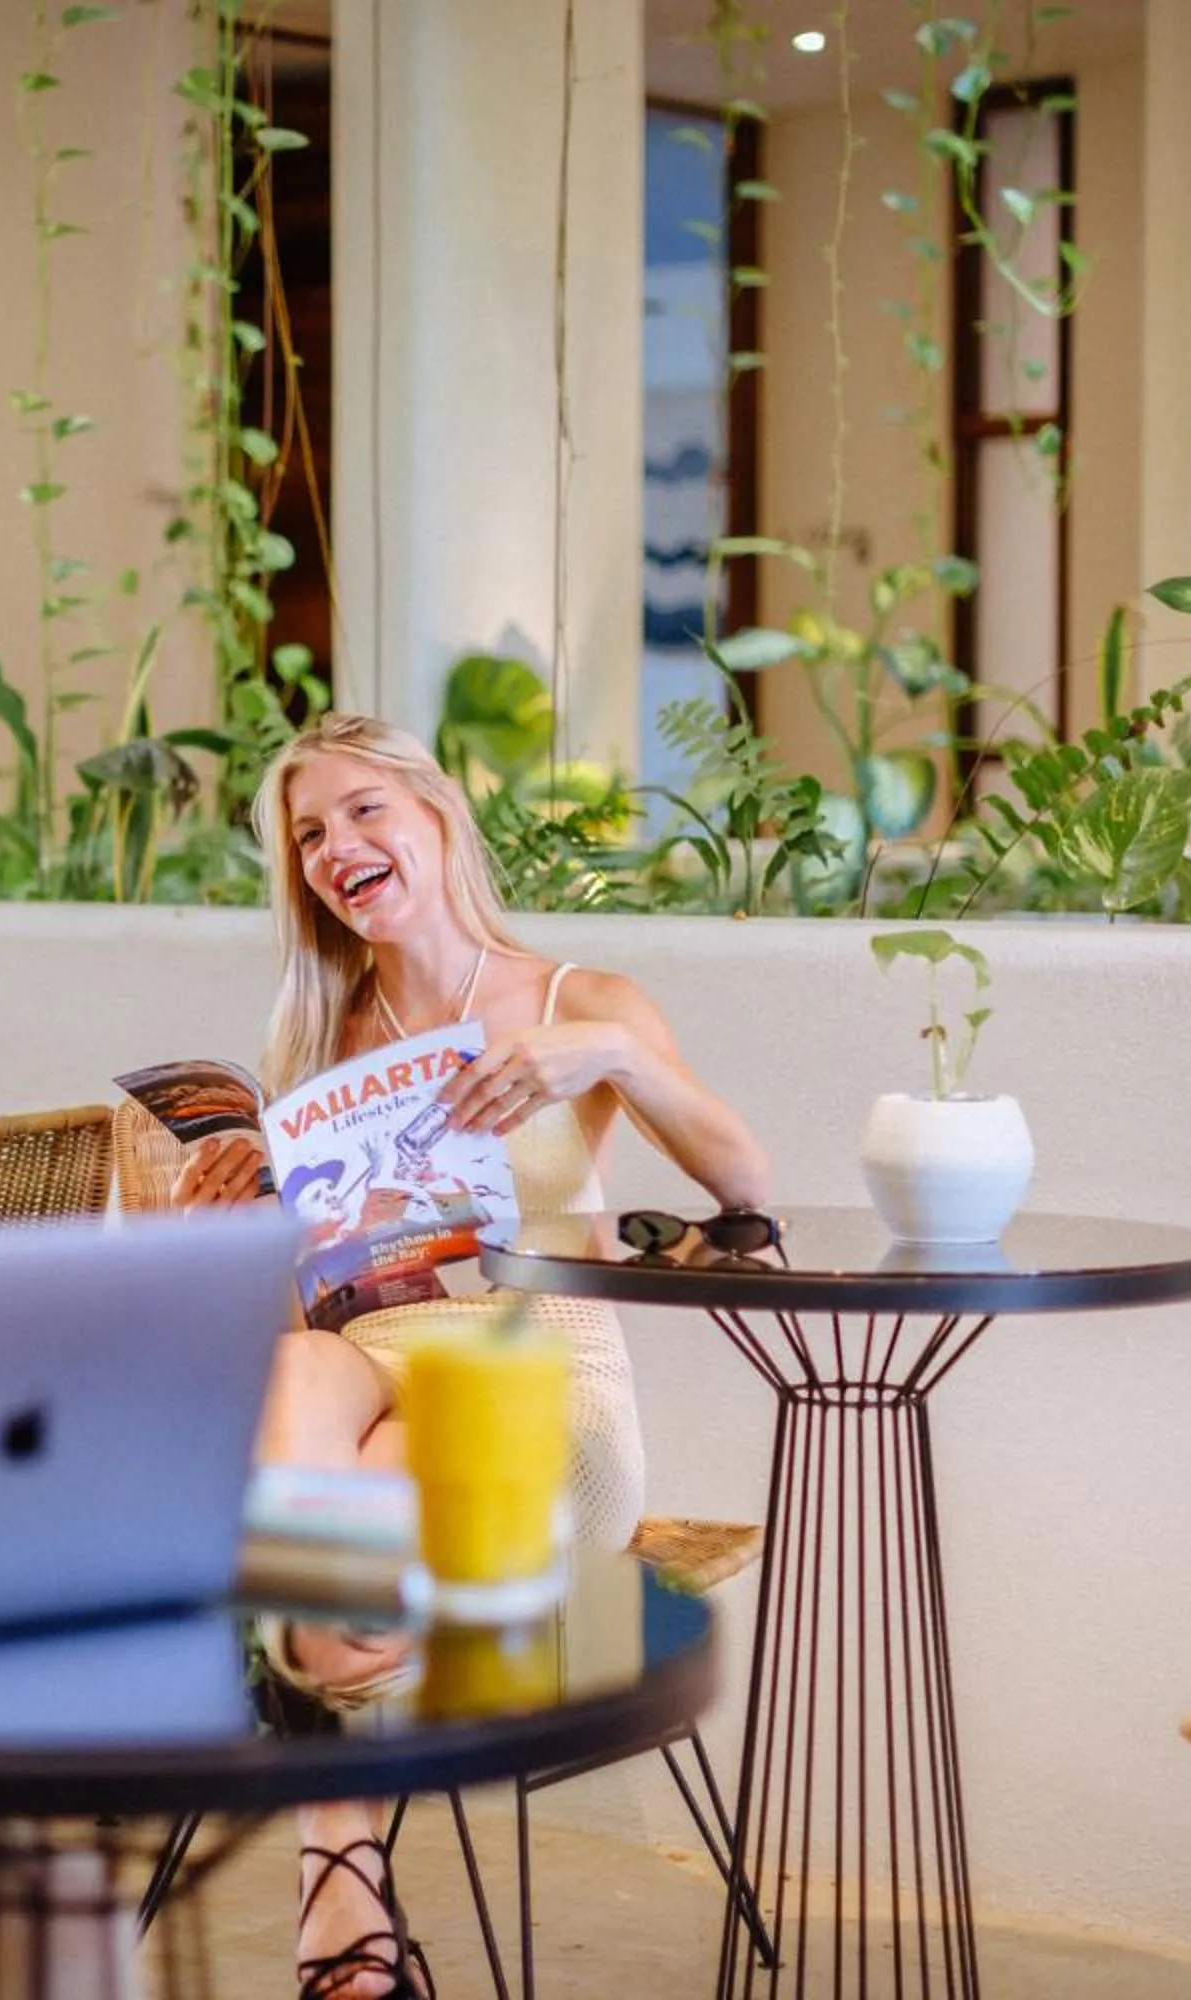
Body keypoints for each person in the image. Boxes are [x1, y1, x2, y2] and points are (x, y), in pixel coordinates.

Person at [176, 711, 772, 2000]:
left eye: (363, 812)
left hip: (532, 1391)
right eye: (310, 835)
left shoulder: (581, 1004)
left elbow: (745, 1182)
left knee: (327, 1524)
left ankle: (334, 1867)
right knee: (292, 1382)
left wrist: (607, 1058)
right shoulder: (314, 1049)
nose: (338, 848)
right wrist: (246, 1237)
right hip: (367, 1364)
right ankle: (341, 1800)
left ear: (437, 816)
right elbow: (303, 1325)